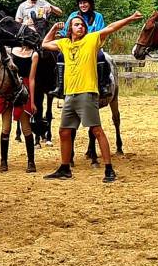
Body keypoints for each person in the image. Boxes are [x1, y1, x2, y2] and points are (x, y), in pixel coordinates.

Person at [41, 10, 144, 182]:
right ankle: (65, 168)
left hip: (86, 93)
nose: (80, 27)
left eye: (82, 25)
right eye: (76, 24)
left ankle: (109, 169)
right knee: (64, 131)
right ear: (70, 29)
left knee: (96, 130)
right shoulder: (64, 43)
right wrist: (53, 29)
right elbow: (45, 43)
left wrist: (131, 18)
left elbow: (111, 28)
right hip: (70, 94)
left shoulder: (91, 39)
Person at [55, 0, 112, 98]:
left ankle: (102, 86)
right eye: (80, 3)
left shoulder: (98, 17)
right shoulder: (73, 15)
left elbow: (101, 34)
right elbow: (66, 31)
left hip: (92, 47)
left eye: (85, 3)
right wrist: (59, 33)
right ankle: (60, 86)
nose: (83, 5)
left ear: (90, 3)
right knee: (60, 56)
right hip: (74, 46)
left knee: (101, 56)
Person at [0, 42, 39, 173]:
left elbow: (31, 79)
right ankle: (3, 161)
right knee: (6, 127)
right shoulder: (11, 50)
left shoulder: (34, 54)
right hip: (9, 87)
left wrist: (32, 101)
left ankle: (31, 162)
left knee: (26, 127)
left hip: (23, 89)